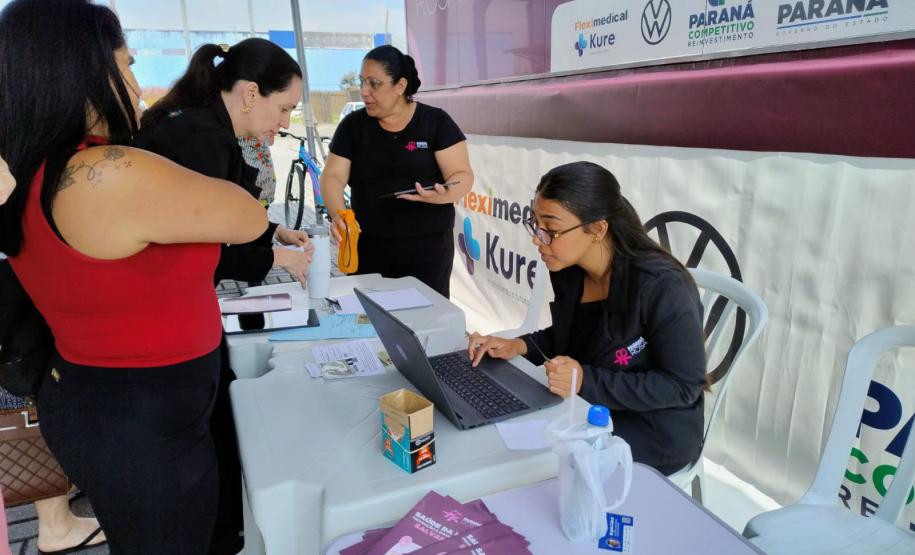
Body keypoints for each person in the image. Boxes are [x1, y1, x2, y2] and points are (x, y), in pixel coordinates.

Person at [0, 2, 269, 554]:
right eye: (127, 65)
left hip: (109, 406)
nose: (138, 87)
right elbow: (249, 217)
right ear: (84, 70)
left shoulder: (37, 166)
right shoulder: (101, 173)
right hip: (138, 420)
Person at [133, 37, 311, 554]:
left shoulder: (200, 126)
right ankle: (224, 536)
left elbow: (218, 225)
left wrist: (272, 233)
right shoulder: (202, 140)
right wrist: (275, 259)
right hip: (165, 323)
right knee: (215, 432)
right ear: (251, 93)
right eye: (284, 108)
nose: (285, 122)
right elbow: (205, 250)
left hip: (167, 314)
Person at [467, 162, 707, 475]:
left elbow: (682, 385)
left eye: (551, 229)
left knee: (529, 465)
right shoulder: (570, 270)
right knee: (494, 434)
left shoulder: (661, 286)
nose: (538, 239)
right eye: (535, 225)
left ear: (597, 229)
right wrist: (518, 345)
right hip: (588, 409)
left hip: (653, 429)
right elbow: (572, 334)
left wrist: (584, 380)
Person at [320, 44, 474, 297]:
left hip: (427, 249)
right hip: (368, 247)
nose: (364, 91)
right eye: (362, 82)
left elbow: (462, 176)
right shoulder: (352, 126)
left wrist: (443, 195)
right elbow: (333, 176)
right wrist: (339, 214)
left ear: (400, 86)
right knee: (369, 312)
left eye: (374, 84)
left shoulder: (436, 122)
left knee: (425, 314)